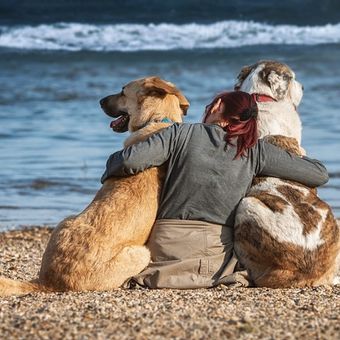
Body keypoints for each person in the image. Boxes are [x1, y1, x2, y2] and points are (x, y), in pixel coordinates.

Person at [101, 91, 329, 289]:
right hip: (214, 261)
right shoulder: (255, 151)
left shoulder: (180, 133)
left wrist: (108, 170)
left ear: (218, 107)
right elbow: (319, 174)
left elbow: (128, 162)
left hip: (165, 249)